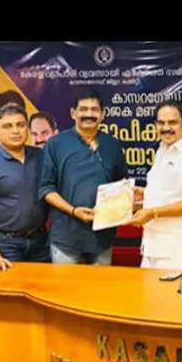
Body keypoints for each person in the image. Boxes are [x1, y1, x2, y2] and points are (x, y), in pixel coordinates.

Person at [38, 89, 128, 265]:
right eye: (83, 109)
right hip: (66, 237)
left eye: (94, 110)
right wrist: (73, 211)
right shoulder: (56, 144)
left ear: (102, 114)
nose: (89, 114)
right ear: (73, 113)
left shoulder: (113, 145)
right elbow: (46, 188)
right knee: (65, 291)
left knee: (100, 291)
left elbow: (121, 186)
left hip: (102, 237)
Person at [127, 101, 182, 271]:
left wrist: (153, 212)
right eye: (161, 123)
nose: (166, 128)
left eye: (172, 122)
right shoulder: (162, 150)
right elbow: (172, 193)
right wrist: (145, 195)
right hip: (153, 246)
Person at [0, 105, 49, 272]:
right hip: (6, 246)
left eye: (20, 125)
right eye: (7, 126)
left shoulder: (41, 156)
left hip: (40, 242)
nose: (15, 131)